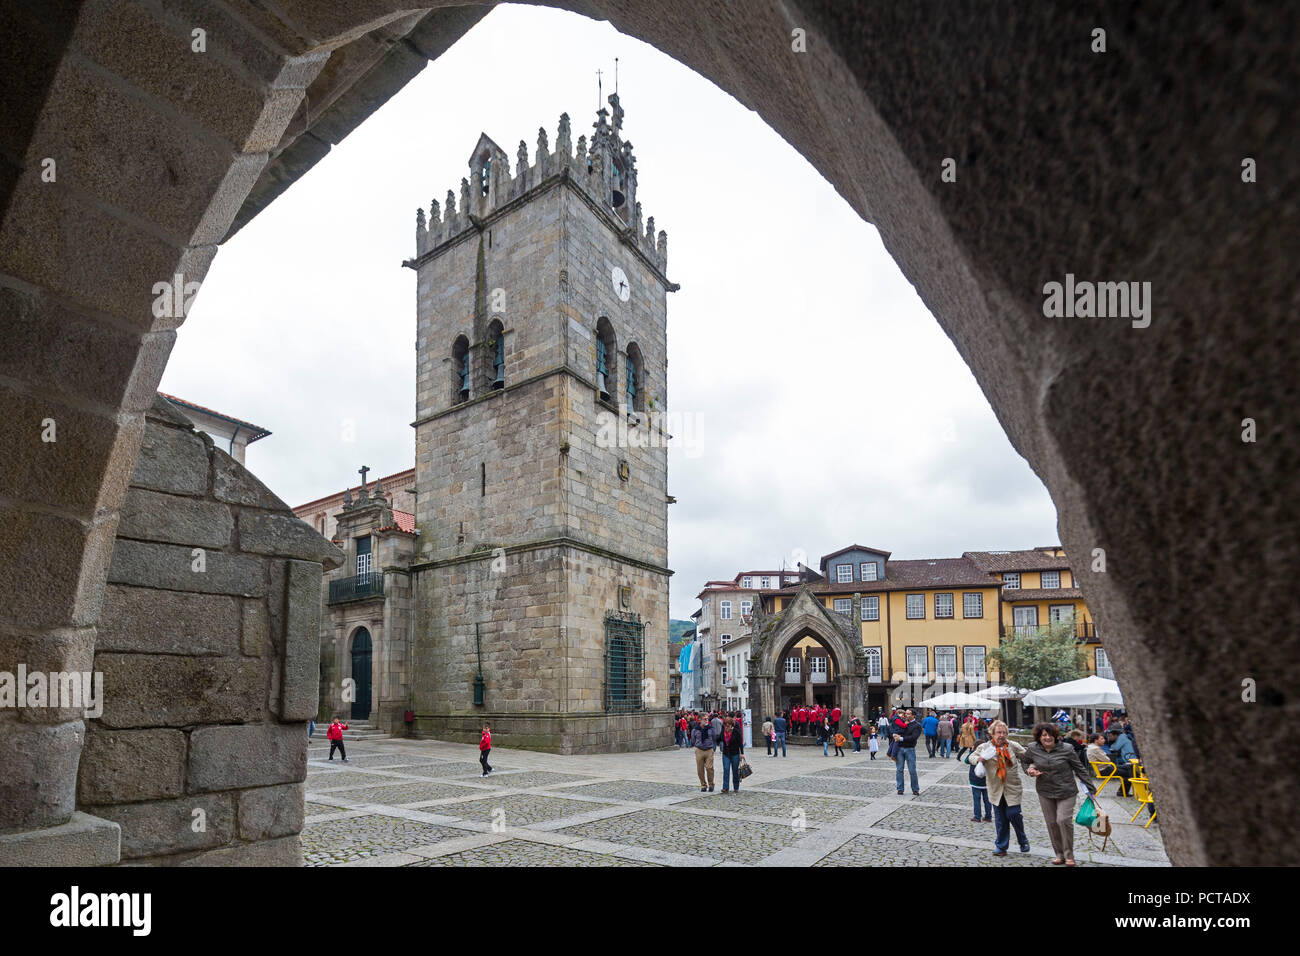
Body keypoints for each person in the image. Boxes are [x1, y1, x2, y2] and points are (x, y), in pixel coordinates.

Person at [1023, 722, 1096, 866]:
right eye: (1044, 735)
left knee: (1062, 820)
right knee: (1051, 823)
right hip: (1045, 791)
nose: (1048, 737)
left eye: (1050, 735)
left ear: (1056, 736)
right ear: (1039, 737)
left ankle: (1069, 855)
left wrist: (1090, 787)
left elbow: (1079, 768)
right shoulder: (1032, 748)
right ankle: (1059, 854)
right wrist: (1029, 770)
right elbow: (1025, 761)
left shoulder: (1067, 749)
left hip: (1066, 791)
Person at [966, 719, 1030, 856]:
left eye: (1004, 732)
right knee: (1001, 819)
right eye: (998, 732)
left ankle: (1022, 838)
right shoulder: (985, 748)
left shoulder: (1013, 746)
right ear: (992, 733)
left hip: (1013, 787)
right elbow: (971, 757)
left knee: (1013, 813)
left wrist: (1031, 769)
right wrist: (979, 759)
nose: (1001, 735)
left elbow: (1027, 757)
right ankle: (1001, 847)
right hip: (995, 789)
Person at [892, 709, 922, 795]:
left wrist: (901, 738)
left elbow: (913, 737)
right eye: (906, 714)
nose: (906, 715)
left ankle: (915, 789)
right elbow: (892, 728)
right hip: (900, 749)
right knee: (899, 770)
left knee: (912, 770)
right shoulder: (902, 722)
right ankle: (900, 788)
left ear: (914, 715)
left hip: (910, 749)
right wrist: (894, 734)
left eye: (908, 714)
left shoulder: (917, 725)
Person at [1106, 728, 1139, 797]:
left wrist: (1111, 745)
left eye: (1110, 736)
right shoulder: (1122, 737)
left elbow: (1115, 747)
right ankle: (1137, 787)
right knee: (1129, 771)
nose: (1109, 737)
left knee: (1129, 770)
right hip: (1128, 758)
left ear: (1116, 735)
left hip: (1130, 757)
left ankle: (1125, 791)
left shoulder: (1122, 738)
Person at [691, 714, 717, 791]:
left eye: (707, 719)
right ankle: (703, 785)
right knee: (700, 769)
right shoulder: (695, 730)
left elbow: (714, 738)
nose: (706, 720)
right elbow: (693, 740)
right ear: (699, 720)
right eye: (704, 719)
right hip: (699, 750)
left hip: (709, 750)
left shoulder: (711, 729)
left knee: (709, 768)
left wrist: (712, 747)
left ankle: (711, 784)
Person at [719, 715, 745, 793]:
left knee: (735, 771)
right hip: (726, 753)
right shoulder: (723, 731)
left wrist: (742, 753)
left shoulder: (736, 731)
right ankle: (725, 787)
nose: (727, 726)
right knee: (726, 770)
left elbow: (740, 743)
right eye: (725, 725)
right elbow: (719, 739)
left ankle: (736, 787)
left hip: (735, 754)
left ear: (731, 724)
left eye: (728, 725)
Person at [968, 743, 993, 822]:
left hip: (975, 782)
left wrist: (971, 751)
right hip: (986, 782)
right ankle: (988, 816)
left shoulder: (975, 756)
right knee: (987, 800)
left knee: (976, 799)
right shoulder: (989, 756)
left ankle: (977, 816)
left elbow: (967, 760)